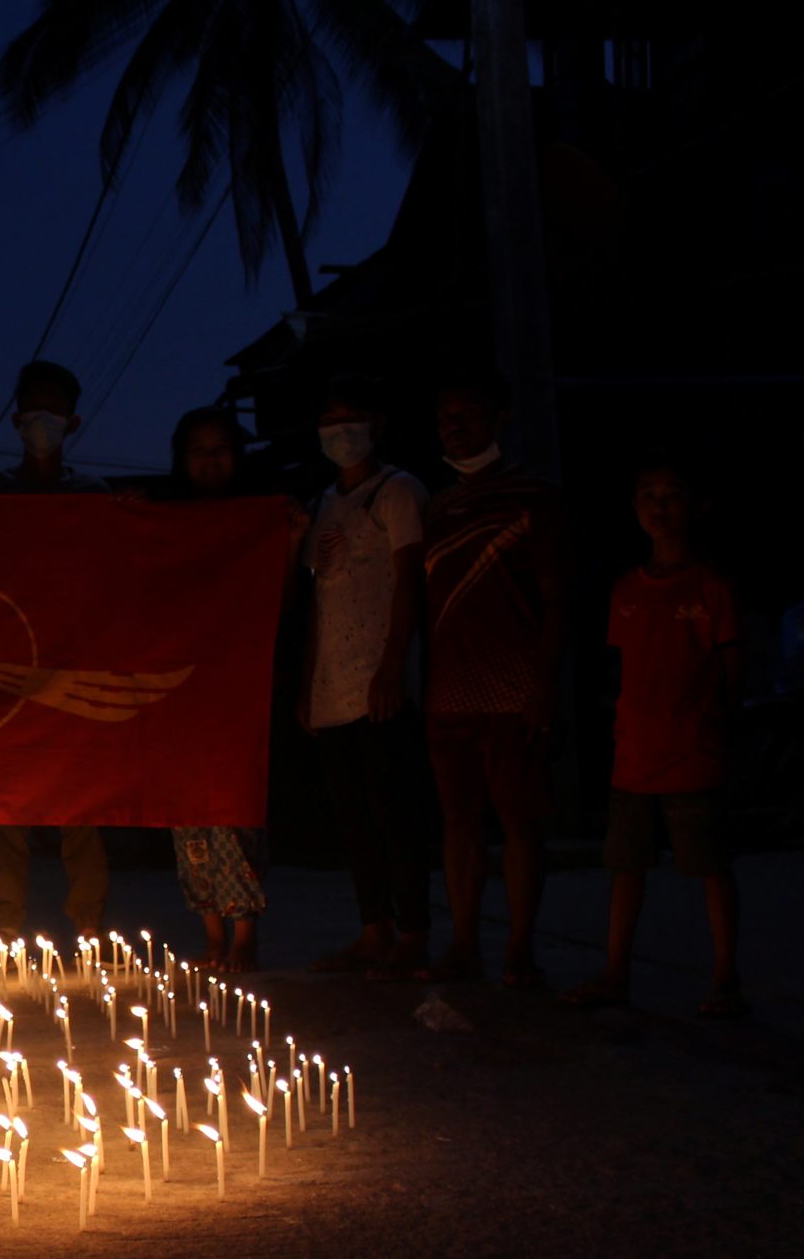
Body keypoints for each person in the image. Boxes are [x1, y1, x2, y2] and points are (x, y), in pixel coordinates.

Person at [566, 462, 745, 1017]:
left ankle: (725, 978)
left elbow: (733, 670)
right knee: (627, 867)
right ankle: (616, 971)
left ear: (696, 505)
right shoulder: (627, 588)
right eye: (649, 496)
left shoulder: (712, 587)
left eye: (672, 495)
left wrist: (719, 727)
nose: (660, 507)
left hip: (693, 752)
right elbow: (624, 665)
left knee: (710, 867)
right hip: (636, 754)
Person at [419, 370, 568, 988]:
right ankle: (463, 944)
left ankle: (520, 950)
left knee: (517, 820)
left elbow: (558, 599)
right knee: (458, 821)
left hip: (511, 687)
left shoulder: (534, 496)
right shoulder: (435, 506)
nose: (456, 425)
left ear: (499, 418)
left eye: (469, 413)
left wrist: (544, 682)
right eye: (446, 416)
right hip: (449, 688)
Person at [0, 358, 109, 939]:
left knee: (83, 808)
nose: (43, 420)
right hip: (8, 670)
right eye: (34, 411)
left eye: (54, 410)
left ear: (73, 421)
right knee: (4, 806)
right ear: (16, 419)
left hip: (74, 666)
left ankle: (91, 929)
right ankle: (5, 928)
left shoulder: (93, 498)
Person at [298, 375, 432, 976]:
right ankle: (373, 929)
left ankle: (414, 932)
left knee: (395, 812)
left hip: (380, 679)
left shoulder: (398, 491)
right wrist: (308, 682)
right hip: (333, 685)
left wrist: (392, 666)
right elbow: (317, 598)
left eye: (352, 419)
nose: (340, 433)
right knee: (354, 819)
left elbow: (410, 580)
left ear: (376, 425)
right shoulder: (325, 502)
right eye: (330, 421)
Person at [152, 405, 271, 970]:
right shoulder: (168, 520)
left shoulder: (256, 518)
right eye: (197, 450)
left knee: (235, 810)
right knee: (190, 816)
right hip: (181, 691)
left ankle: (244, 935)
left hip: (235, 687)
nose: (209, 460)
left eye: (219, 449)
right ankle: (211, 935)